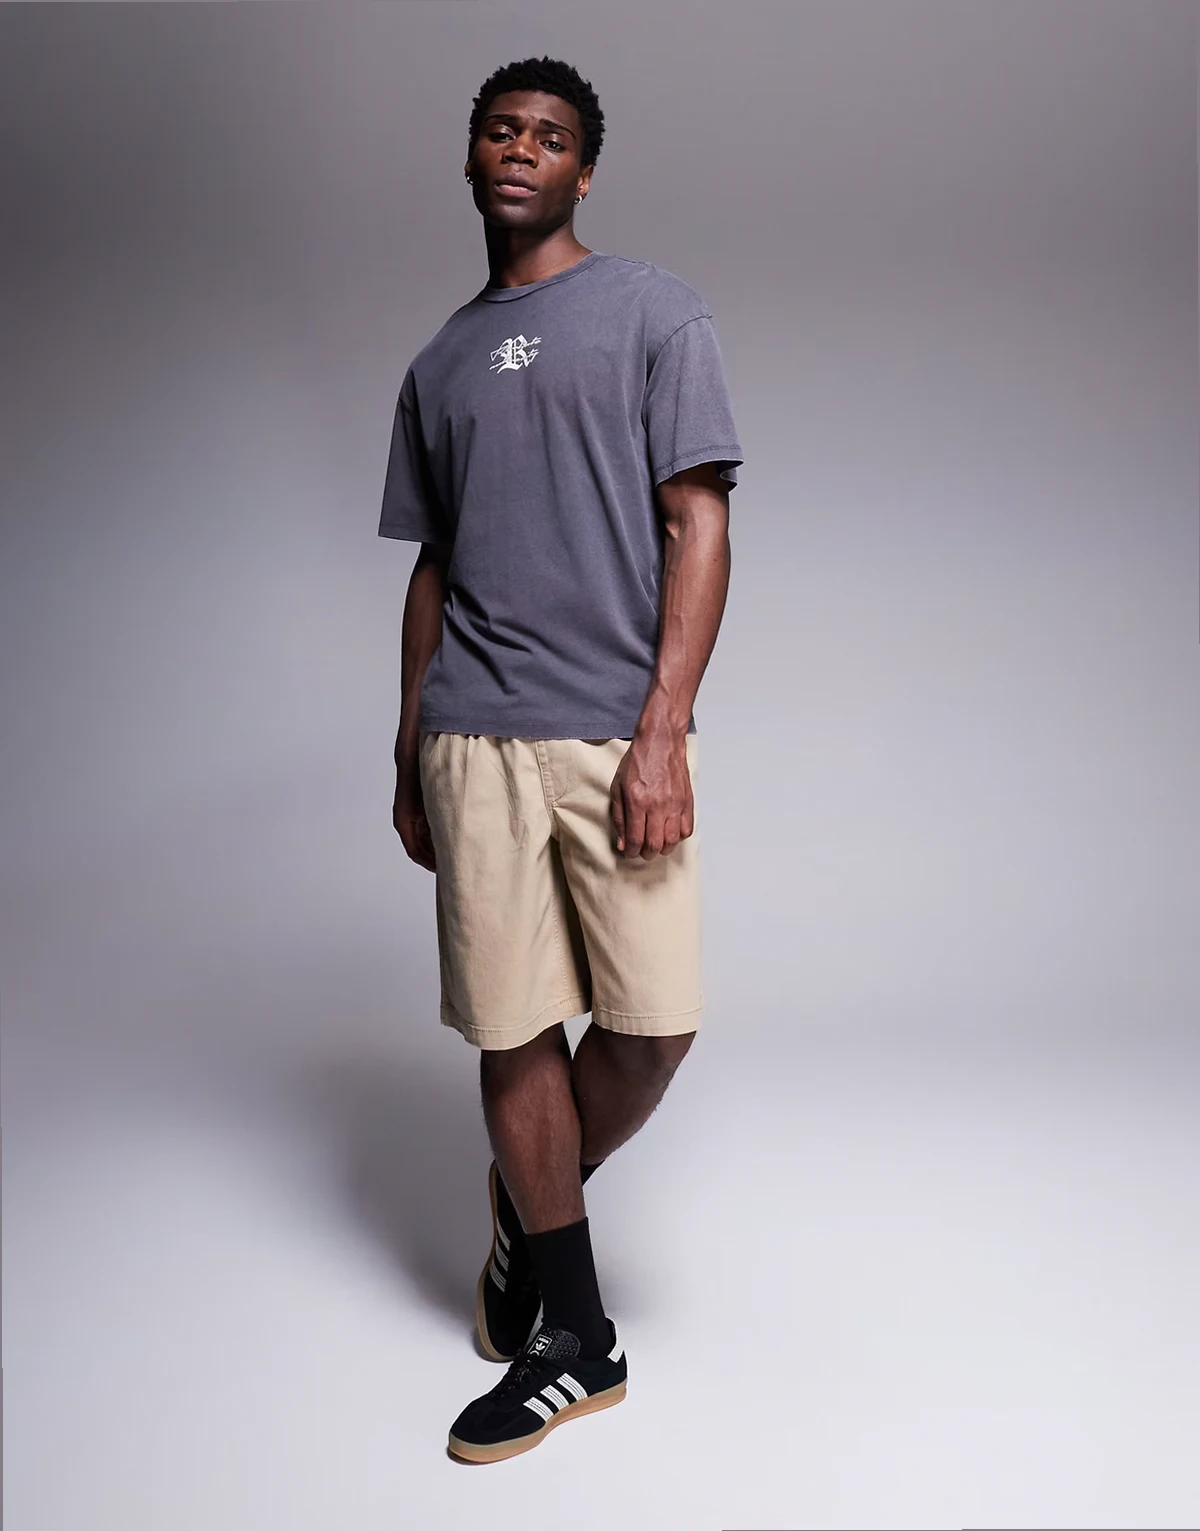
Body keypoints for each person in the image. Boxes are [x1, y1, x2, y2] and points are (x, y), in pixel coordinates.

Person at [379, 55, 743, 1464]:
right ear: (472, 157)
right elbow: (433, 567)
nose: (522, 149)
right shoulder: (437, 363)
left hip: (609, 728)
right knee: (515, 1024)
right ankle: (574, 1335)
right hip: (471, 731)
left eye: (550, 136)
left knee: (653, 1026)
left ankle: (538, 1205)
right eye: (501, 130)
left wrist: (663, 732)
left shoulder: (655, 311)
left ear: (584, 171)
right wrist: (407, 746)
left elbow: (698, 526)